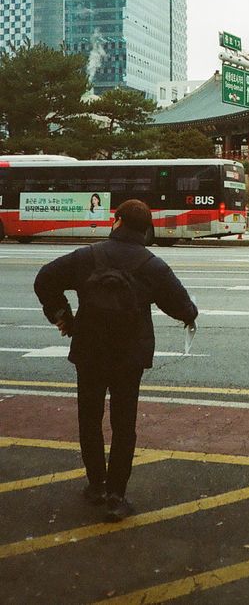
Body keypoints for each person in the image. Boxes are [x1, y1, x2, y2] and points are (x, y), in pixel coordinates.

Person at [34, 198, 198, 522]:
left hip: (89, 350)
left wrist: (62, 315)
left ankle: (96, 485)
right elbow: (182, 307)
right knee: (124, 424)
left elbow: (44, 279)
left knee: (89, 418)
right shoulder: (153, 265)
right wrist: (189, 314)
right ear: (146, 229)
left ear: (118, 221)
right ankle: (116, 496)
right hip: (129, 355)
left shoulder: (87, 257)